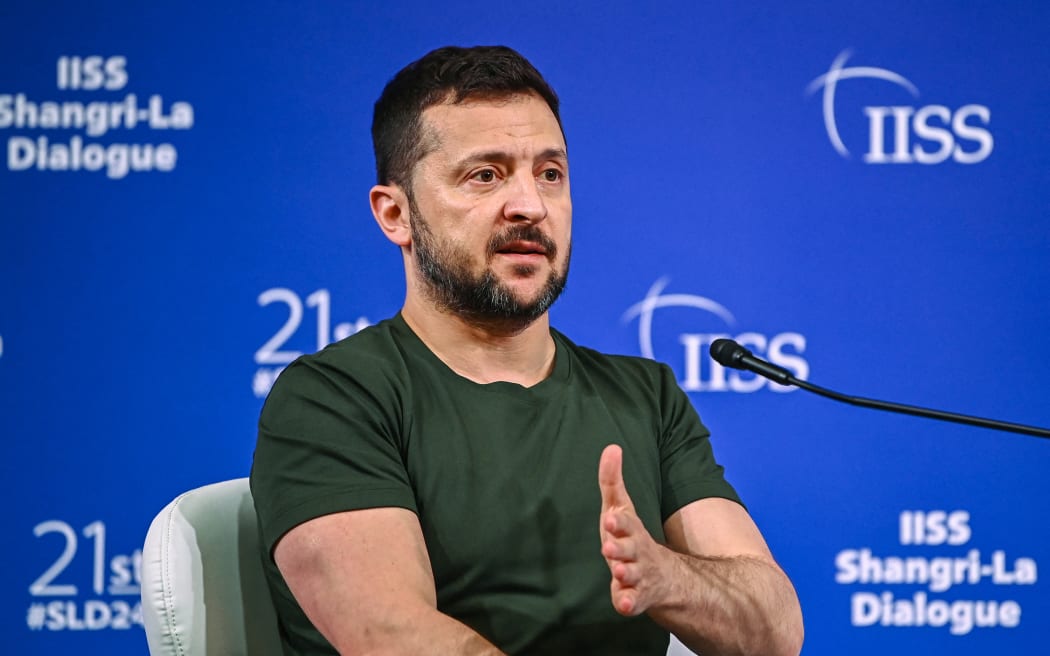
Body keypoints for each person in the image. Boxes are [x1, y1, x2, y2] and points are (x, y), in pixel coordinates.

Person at [251, 45, 803, 656]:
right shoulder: (334, 399)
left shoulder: (645, 396)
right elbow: (393, 637)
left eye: (550, 173)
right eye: (485, 175)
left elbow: (774, 632)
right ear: (396, 214)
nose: (531, 206)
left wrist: (667, 575)